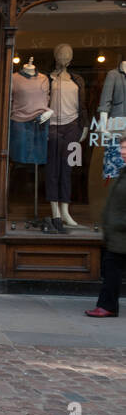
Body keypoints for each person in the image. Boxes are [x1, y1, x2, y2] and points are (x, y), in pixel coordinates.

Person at [86, 132, 126, 318]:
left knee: (112, 270)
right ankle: (107, 305)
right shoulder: (123, 171)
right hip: (116, 233)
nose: (122, 151)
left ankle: (107, 306)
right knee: (111, 269)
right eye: (121, 147)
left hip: (121, 233)